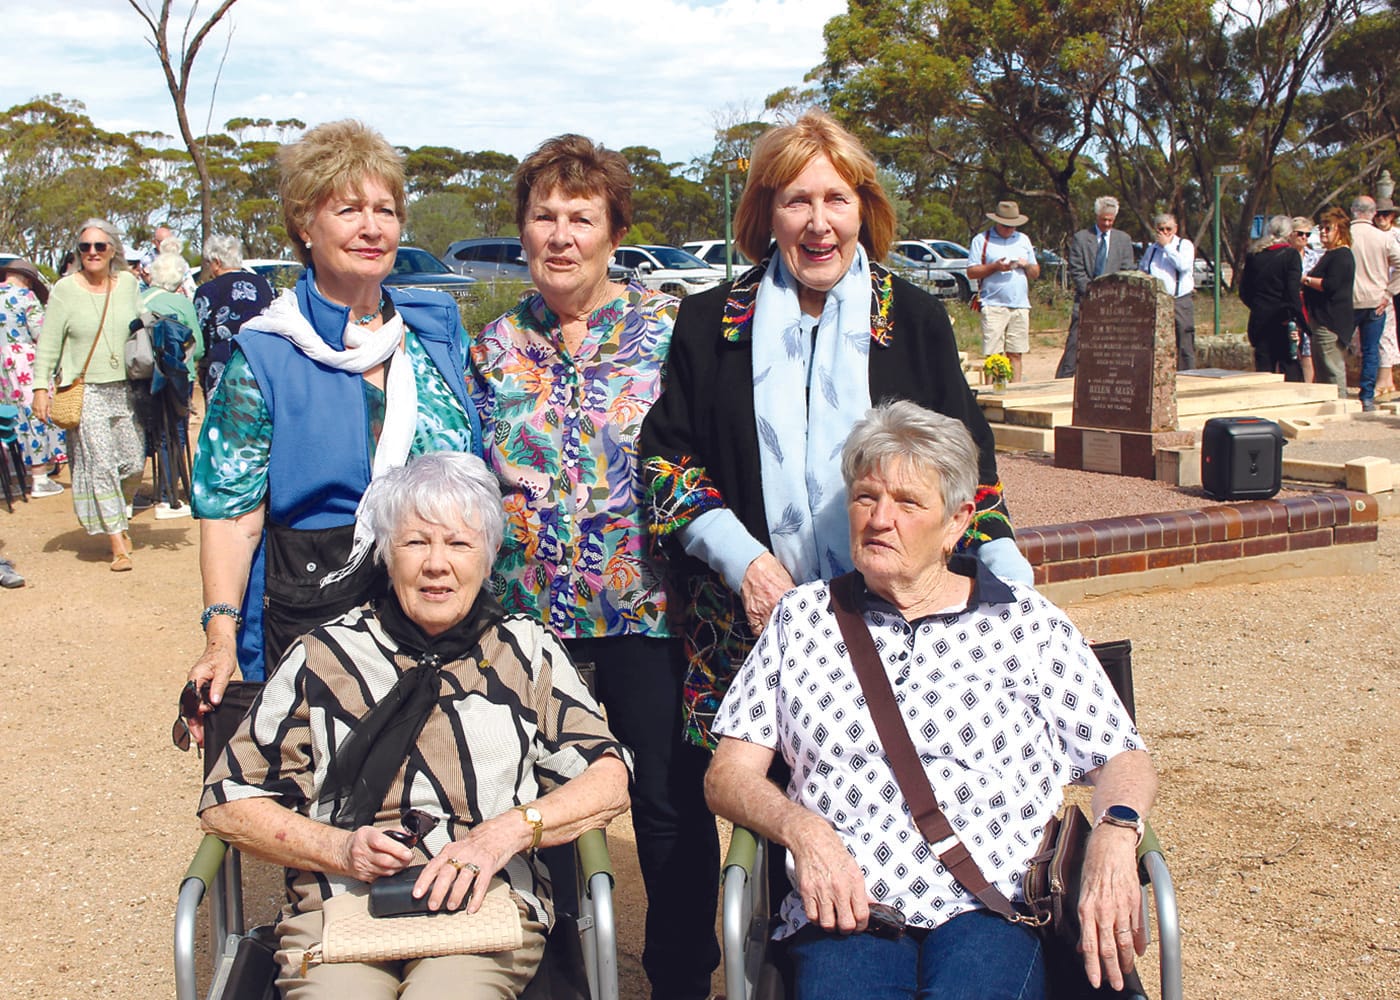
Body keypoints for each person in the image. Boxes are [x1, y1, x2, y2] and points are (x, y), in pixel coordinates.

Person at [705, 401, 1157, 1000]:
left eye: (907, 503)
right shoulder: (803, 619)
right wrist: (802, 830)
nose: (879, 519)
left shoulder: (1024, 622)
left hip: (995, 906)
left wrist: (1116, 832)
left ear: (956, 522)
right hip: (848, 906)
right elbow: (727, 775)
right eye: (865, 497)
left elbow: (1122, 756)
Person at [640, 110, 1032, 755]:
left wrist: (1010, 579)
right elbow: (668, 464)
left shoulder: (915, 320)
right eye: (797, 201)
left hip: (904, 626)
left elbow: (970, 472)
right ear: (767, 213)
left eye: (836, 200)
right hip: (753, 628)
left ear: (863, 210)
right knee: (755, 800)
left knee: (893, 791)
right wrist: (748, 566)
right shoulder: (709, 324)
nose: (818, 223)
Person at [198, 452, 632, 1000]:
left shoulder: (526, 651)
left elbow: (608, 776)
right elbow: (228, 800)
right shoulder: (324, 654)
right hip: (341, 905)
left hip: (482, 902)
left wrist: (504, 834)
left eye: (459, 543)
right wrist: (341, 849)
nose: (436, 564)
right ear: (386, 554)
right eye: (415, 542)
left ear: (488, 557)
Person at [468, 133, 719, 1000]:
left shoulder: (671, 332)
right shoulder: (493, 346)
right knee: (543, 801)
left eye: (582, 217)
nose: (561, 235)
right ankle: (561, 975)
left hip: (650, 614)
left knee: (667, 803)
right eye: (545, 216)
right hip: (528, 621)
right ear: (522, 231)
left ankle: (681, 977)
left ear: (615, 232)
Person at [186, 119, 483, 736]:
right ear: (305, 224)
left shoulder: (435, 330)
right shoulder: (265, 355)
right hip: (319, 620)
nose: (372, 228)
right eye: (348, 210)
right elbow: (232, 515)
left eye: (385, 210)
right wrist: (220, 637)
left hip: (443, 608)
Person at [31, 218, 145, 572]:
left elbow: (141, 327)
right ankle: (117, 541)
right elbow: (48, 343)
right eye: (85, 247)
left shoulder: (128, 284)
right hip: (86, 389)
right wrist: (40, 388)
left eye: (99, 246)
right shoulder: (65, 290)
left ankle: (116, 515)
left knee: (134, 462)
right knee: (101, 464)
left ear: (113, 250)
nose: (92, 252)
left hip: (125, 386)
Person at [139, 250, 204, 518]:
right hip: (177, 378)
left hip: (144, 376)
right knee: (175, 432)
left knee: (146, 431)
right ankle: (168, 498)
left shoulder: (139, 299)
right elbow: (198, 346)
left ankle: (133, 495)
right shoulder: (181, 303)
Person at [0, 258, 66, 497]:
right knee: (35, 413)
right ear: (27, 280)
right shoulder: (26, 297)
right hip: (22, 361)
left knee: (5, 417)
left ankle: (9, 476)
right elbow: (41, 332)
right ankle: (39, 477)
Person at [1057, 196, 1137, 378]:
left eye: (1110, 220)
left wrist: (1112, 296)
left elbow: (1127, 270)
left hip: (1115, 304)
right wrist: (1094, 294)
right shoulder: (1081, 238)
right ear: (1096, 216)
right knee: (1075, 344)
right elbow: (1076, 270)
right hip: (1086, 300)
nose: (1107, 224)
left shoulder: (1123, 239)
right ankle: (1064, 379)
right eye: (1103, 219)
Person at [192, 234, 274, 400]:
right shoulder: (265, 285)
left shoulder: (207, 291)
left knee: (222, 414)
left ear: (217, 262)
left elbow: (199, 336)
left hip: (224, 366)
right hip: (263, 363)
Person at [965, 201, 1040, 382]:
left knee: (1016, 353)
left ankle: (1016, 390)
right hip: (993, 305)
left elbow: (1035, 272)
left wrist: (1025, 265)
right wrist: (995, 267)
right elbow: (971, 272)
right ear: (997, 222)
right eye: (1005, 225)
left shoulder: (1023, 240)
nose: (1009, 229)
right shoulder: (982, 240)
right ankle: (991, 391)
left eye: (1013, 225)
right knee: (993, 354)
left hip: (1020, 305)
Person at [1238, 215, 1307, 381]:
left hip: (1259, 321)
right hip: (1283, 320)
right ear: (1289, 234)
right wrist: (1301, 322)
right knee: (1291, 369)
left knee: (1264, 372)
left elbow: (1244, 291)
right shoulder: (1291, 255)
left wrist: (1259, 306)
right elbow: (1292, 292)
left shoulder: (1254, 255)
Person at [1347, 195, 1400, 410]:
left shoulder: (1345, 235)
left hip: (1349, 301)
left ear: (1353, 210)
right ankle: (1367, 396)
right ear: (1373, 213)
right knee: (1371, 351)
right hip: (1376, 300)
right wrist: (1388, 293)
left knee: (1340, 346)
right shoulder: (1382, 238)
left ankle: (1338, 390)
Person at [1301, 208, 1356, 398]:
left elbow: (1331, 285)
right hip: (1319, 319)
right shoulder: (1329, 254)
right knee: (1322, 369)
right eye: (1321, 229)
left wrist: (1306, 280)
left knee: (1331, 368)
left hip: (1331, 321)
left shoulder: (1342, 255)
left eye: (1328, 229)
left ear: (1340, 232)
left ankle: (1340, 402)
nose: (1323, 233)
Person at [1139, 212, 1197, 371]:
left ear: (1175, 229)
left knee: (1184, 341)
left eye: (1168, 229)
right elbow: (1143, 270)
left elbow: (1183, 265)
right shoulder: (1152, 250)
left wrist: (1167, 247)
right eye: (1161, 229)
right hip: (1157, 302)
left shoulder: (1184, 245)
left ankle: (1188, 375)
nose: (1164, 233)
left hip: (1179, 301)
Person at [1371, 197, 1400, 399]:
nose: (1381, 218)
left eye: (1385, 214)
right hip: (1380, 288)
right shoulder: (1372, 236)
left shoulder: (1397, 235)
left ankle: (1386, 380)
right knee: (1383, 333)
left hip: (1394, 288)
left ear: (1392, 216)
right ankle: (1386, 380)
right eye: (1378, 214)